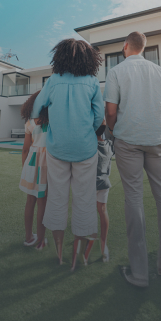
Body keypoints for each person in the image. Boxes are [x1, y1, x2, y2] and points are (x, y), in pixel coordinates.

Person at [104, 31, 161, 288]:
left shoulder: (116, 72)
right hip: (158, 141)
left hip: (128, 142)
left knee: (133, 199)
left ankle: (140, 274)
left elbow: (110, 112)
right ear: (143, 48)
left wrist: (112, 131)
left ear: (125, 47)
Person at [32, 38, 105, 270]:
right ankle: (76, 258)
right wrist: (87, 131)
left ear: (60, 56)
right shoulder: (93, 82)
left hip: (57, 148)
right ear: (88, 59)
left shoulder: (53, 81)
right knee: (84, 200)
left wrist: (41, 118)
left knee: (57, 199)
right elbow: (98, 116)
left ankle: (60, 255)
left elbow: (37, 108)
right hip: (85, 149)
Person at [19, 91, 48, 250]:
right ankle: (41, 240)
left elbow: (25, 149)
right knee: (42, 202)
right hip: (47, 163)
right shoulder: (52, 122)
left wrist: (25, 169)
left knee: (30, 201)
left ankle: (29, 237)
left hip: (30, 163)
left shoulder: (30, 123)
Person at [82, 123, 114, 265]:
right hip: (104, 183)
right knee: (102, 211)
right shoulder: (108, 144)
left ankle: (87, 252)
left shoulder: (89, 145)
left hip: (91, 185)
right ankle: (103, 246)